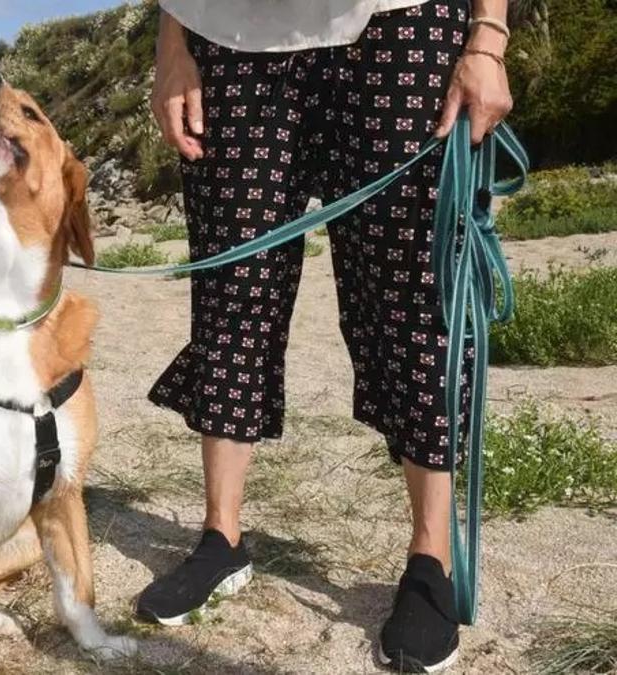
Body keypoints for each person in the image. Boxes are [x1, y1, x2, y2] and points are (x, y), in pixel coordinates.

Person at [136, 0, 512, 671]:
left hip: (402, 23)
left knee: (412, 293)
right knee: (232, 288)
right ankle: (220, 536)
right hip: (230, 34)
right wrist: (172, 46)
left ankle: (431, 557)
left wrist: (487, 37)